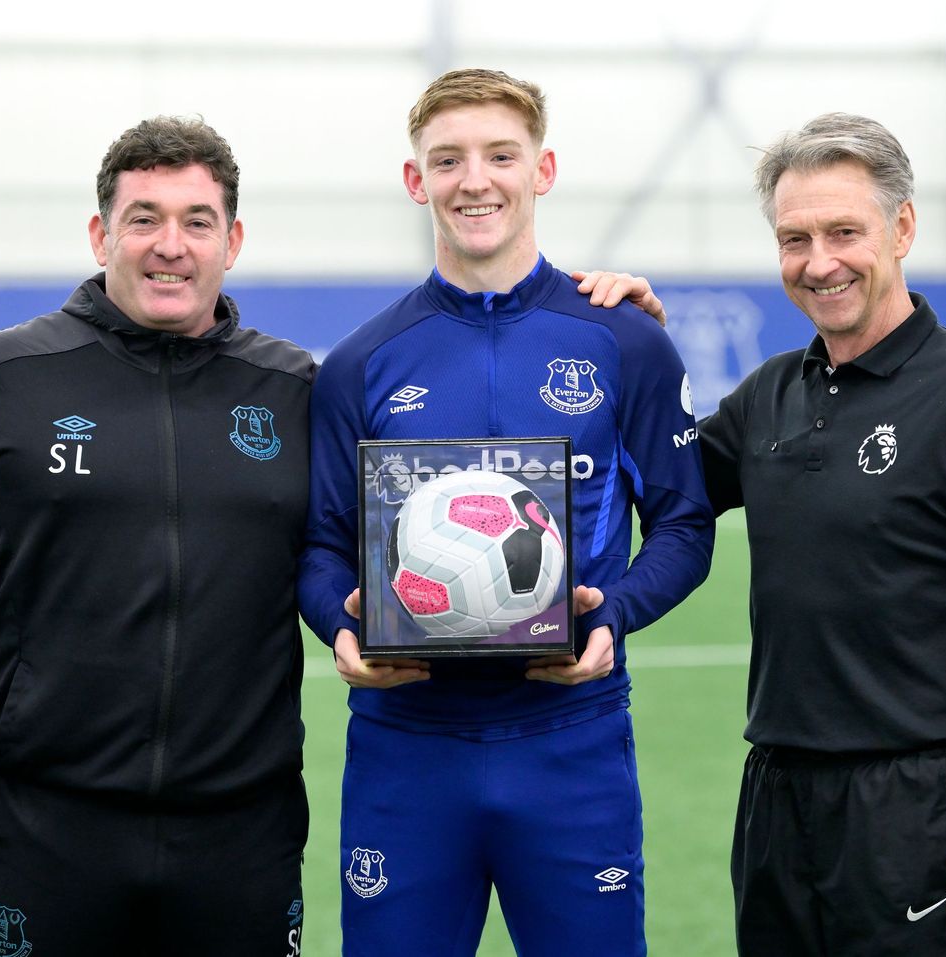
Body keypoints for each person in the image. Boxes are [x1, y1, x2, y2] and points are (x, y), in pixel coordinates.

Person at [0, 117, 316, 956]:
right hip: (47, 817)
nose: (170, 245)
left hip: (243, 822)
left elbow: (369, 541)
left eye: (197, 221)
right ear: (101, 234)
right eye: (144, 218)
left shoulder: (293, 388)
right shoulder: (5, 374)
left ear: (232, 241)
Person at [298, 69, 714, 956]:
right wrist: (340, 623)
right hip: (406, 746)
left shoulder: (625, 340)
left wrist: (616, 615)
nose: (474, 180)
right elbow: (322, 545)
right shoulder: (361, 363)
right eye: (447, 160)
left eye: (500, 155)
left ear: (542, 170)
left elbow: (685, 525)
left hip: (571, 738)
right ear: (416, 180)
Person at [625, 113, 946, 954]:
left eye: (843, 232)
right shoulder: (769, 394)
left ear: (902, 228)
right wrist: (634, 345)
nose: (818, 262)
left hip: (917, 805)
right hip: (777, 798)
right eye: (795, 239)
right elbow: (653, 483)